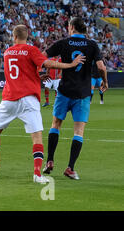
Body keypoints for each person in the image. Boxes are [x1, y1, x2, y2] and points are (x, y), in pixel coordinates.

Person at [0, 25, 85, 184]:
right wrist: (71, 65)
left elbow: (20, 73)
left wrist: (37, 77)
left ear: (14, 36)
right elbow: (49, 64)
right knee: (37, 137)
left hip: (9, 98)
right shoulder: (31, 50)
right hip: (28, 100)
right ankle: (37, 174)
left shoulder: (7, 52)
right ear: (27, 36)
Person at [42, 18, 108, 180]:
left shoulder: (63, 42)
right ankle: (70, 168)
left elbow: (42, 57)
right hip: (83, 94)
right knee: (78, 131)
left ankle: (50, 160)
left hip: (64, 91)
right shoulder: (92, 44)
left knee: (55, 124)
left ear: (71, 27)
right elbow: (101, 67)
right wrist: (105, 81)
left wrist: (45, 68)